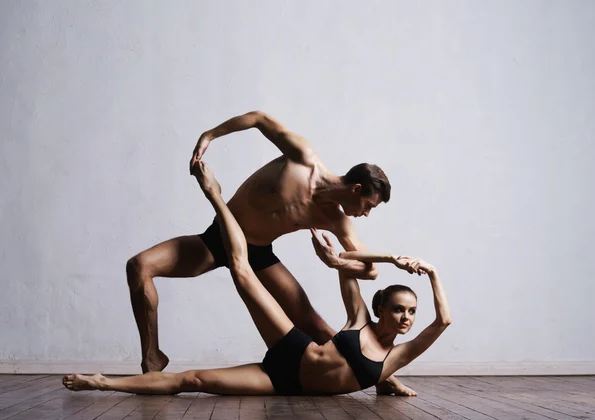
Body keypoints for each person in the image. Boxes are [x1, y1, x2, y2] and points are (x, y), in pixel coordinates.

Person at [62, 162, 452, 396]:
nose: (406, 317)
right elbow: (346, 263)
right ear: (380, 308)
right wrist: (352, 261)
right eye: (399, 309)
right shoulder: (360, 319)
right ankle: (214, 195)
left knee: (194, 382)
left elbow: (442, 321)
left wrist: (385, 378)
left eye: (411, 312)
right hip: (294, 349)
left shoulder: (397, 357)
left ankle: (105, 382)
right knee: (242, 269)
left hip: (286, 385)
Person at [127, 110, 413, 395]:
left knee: (310, 321)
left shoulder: (335, 219)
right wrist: (209, 135)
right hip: (216, 240)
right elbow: (259, 119)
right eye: (368, 206)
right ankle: (152, 356)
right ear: (356, 188)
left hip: (259, 254)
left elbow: (370, 270)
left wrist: (334, 262)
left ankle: (380, 377)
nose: (365, 214)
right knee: (139, 266)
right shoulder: (303, 157)